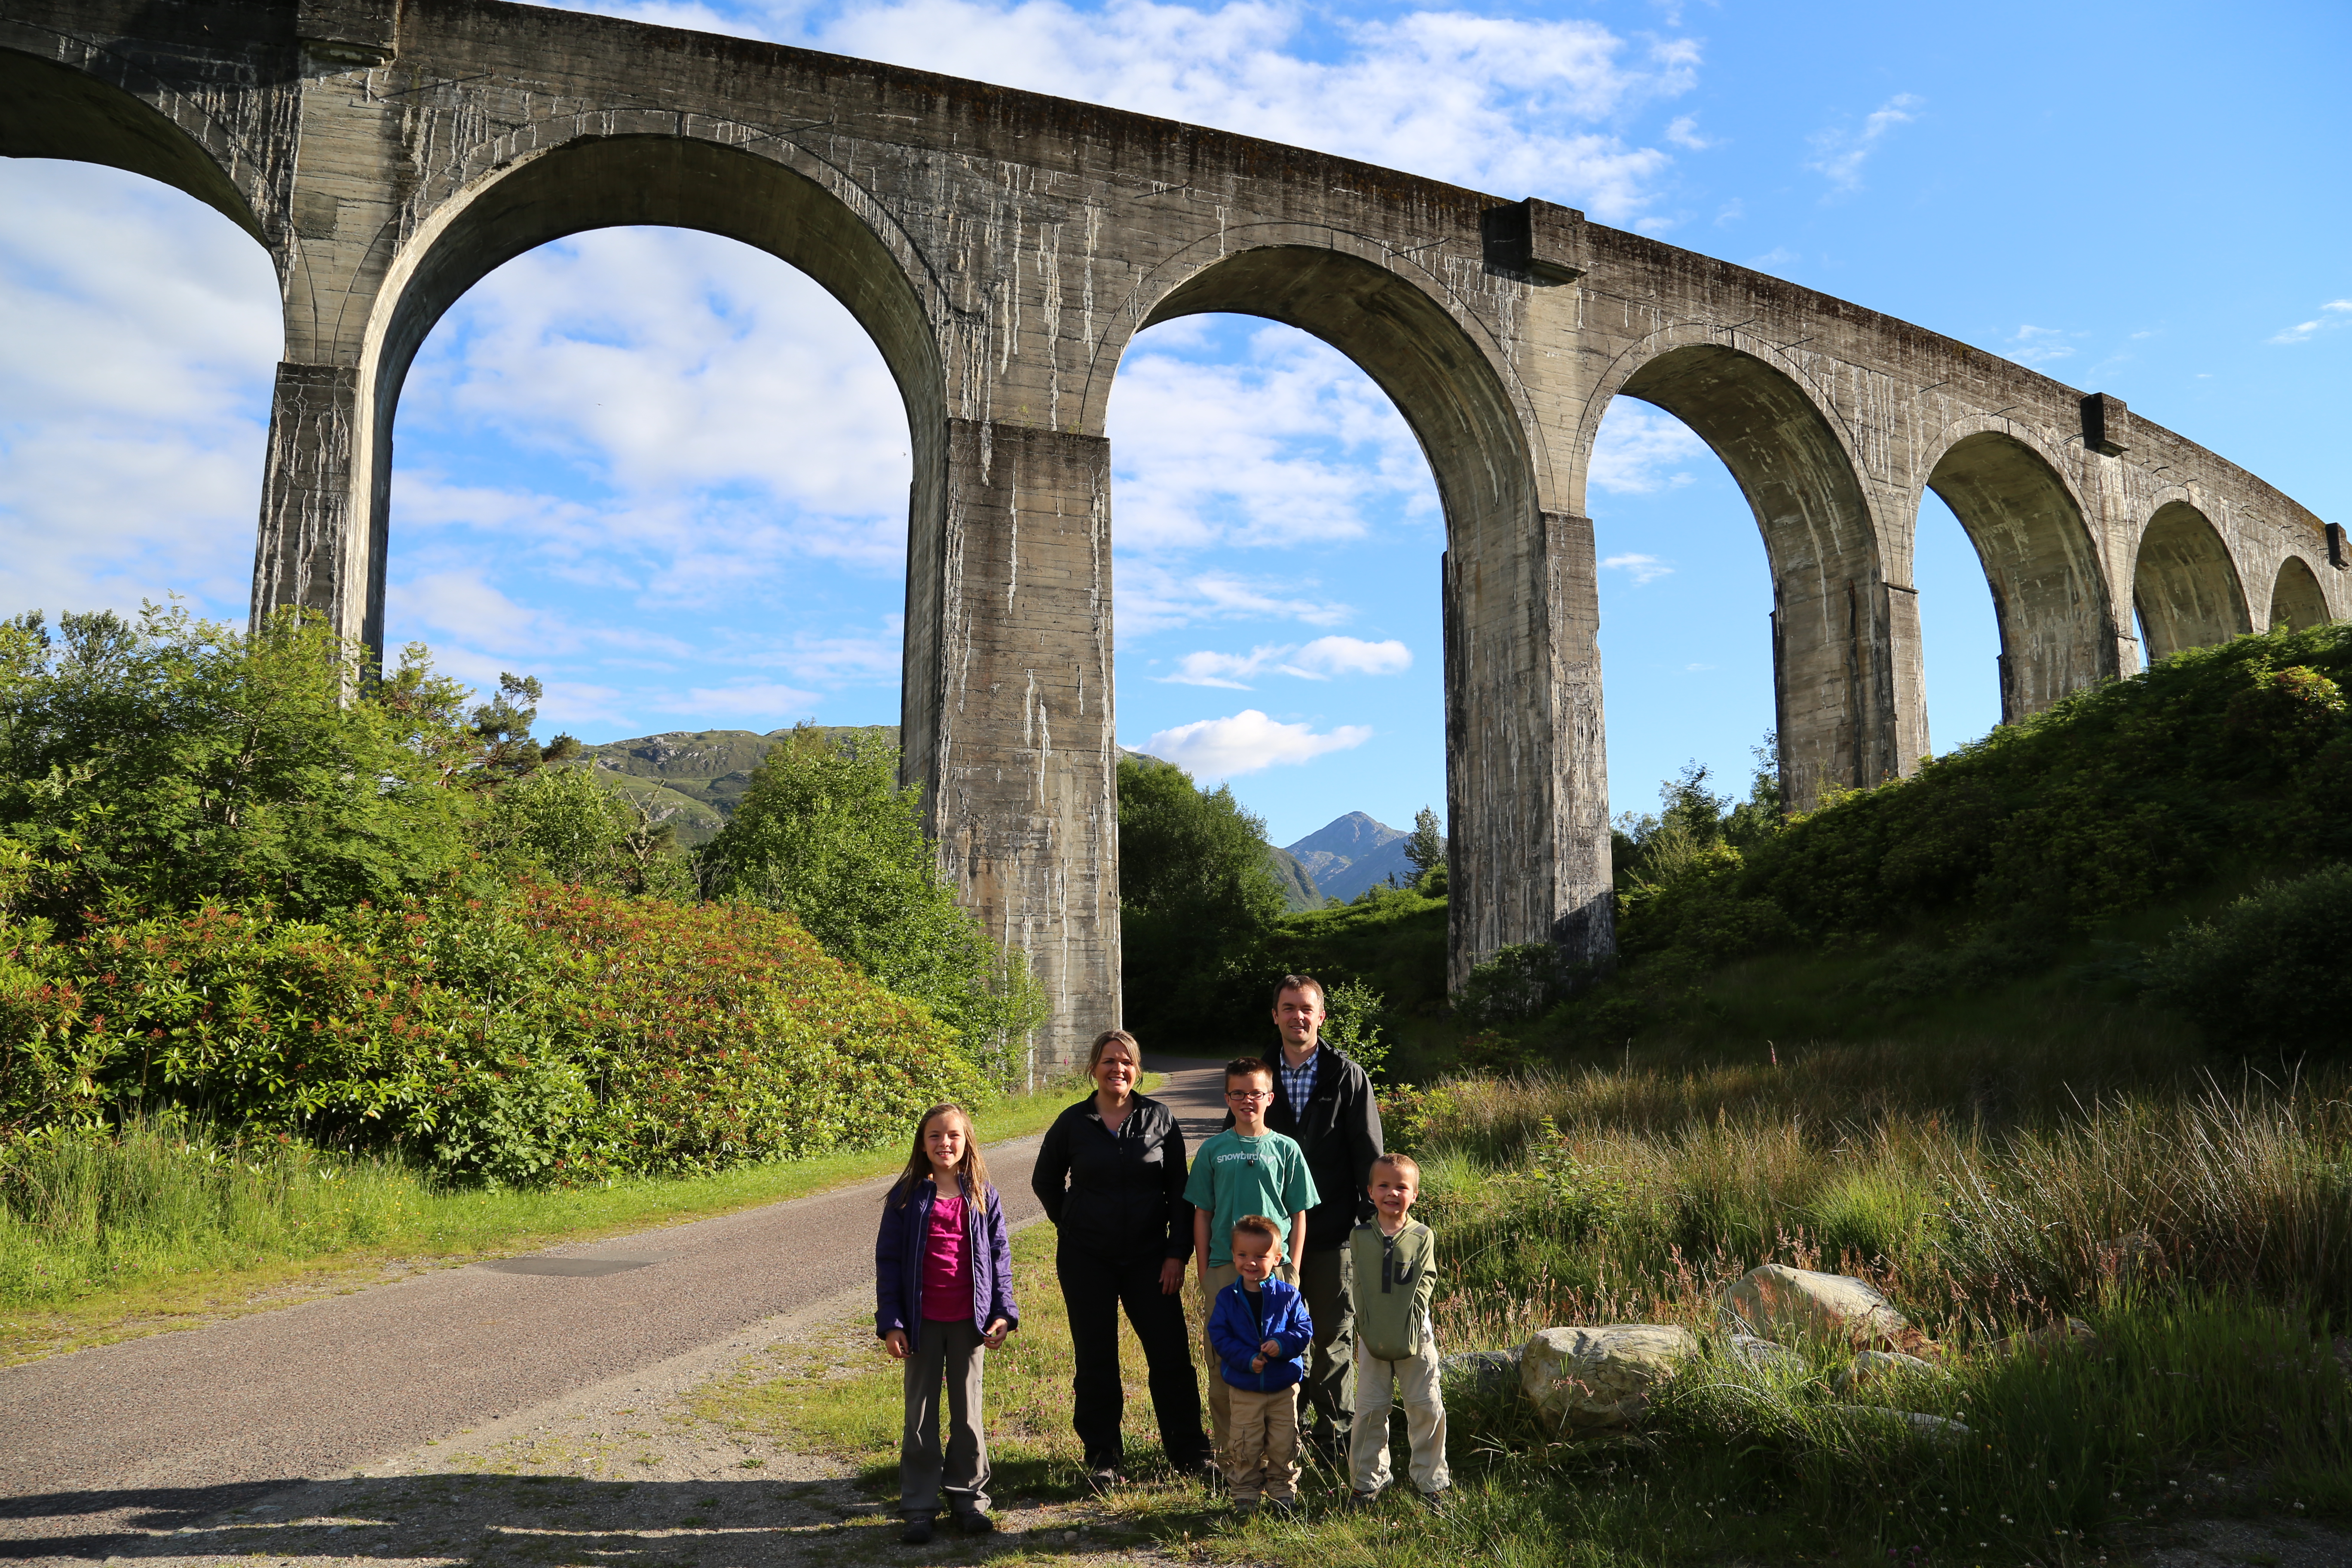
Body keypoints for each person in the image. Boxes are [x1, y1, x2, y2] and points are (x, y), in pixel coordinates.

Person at [1031, 1029, 1213, 1487]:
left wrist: (1176, 1253)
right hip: (1086, 1258)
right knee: (1096, 1357)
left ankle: (1189, 1451)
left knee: (1170, 1355)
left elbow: (1180, 1193)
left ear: (1138, 1070)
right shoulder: (1073, 1122)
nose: (1118, 1069)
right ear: (1093, 1068)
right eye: (1109, 1061)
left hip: (1151, 1259)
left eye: (1127, 1062)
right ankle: (1103, 1457)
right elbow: (1046, 1180)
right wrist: (1070, 1223)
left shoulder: (1160, 1119)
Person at [1244, 974, 1385, 1458]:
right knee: (1279, 1339)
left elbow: (1370, 1159)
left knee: (1330, 1339)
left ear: (1321, 1016)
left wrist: (1369, 1230)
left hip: (1330, 1236)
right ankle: (1286, 1437)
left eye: (1306, 1008)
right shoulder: (1257, 1077)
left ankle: (1335, 1439)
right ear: (1276, 1015)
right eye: (1288, 1008)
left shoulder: (1347, 1076)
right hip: (1269, 1244)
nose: (1297, 1017)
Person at [875, 1103, 1017, 1546]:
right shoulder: (905, 1197)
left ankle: (968, 1498)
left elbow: (1000, 1259)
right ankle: (919, 1506)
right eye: (935, 1136)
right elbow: (889, 1263)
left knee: (969, 1416)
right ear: (923, 1143)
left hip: (969, 1323)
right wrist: (892, 1322)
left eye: (953, 1135)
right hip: (919, 1324)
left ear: (967, 1141)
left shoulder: (983, 1195)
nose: (945, 1144)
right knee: (919, 1419)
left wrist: (1002, 1312)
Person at [1184, 1057, 1317, 1461]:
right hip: (1225, 1269)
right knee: (1225, 1358)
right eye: (1238, 1093)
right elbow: (1202, 1214)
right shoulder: (1213, 1149)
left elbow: (1299, 1212)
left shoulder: (1286, 1149)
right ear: (1227, 1098)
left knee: (1278, 1354)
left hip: (1275, 1273)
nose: (1247, 1100)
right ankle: (1232, 1457)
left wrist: (1291, 1266)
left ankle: (1276, 1456)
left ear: (1269, 1098)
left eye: (1255, 1093)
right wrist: (1205, 1270)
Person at [1346, 1152, 1449, 1508]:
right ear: (1371, 1192)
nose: (1393, 1193)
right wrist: (1367, 1326)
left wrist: (1411, 1321)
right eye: (1384, 1186)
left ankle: (1431, 1480)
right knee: (1371, 1409)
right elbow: (1356, 1283)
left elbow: (1427, 1279)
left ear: (1415, 1194)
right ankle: (1368, 1481)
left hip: (1415, 1335)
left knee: (1425, 1405)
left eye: (1402, 1187)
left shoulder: (1422, 1235)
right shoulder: (1360, 1236)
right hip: (1372, 1337)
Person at [1206, 1214, 1314, 1516]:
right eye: (1242, 1255)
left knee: (1284, 1442)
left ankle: (1283, 1492)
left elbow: (1304, 1329)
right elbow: (1220, 1336)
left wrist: (1281, 1345)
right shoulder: (1228, 1298)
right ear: (1233, 1256)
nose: (1250, 1263)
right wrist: (1245, 1359)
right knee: (1244, 1442)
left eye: (1260, 1256)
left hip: (1282, 1386)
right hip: (1244, 1387)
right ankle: (1245, 1494)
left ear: (1278, 1258)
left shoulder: (1289, 1296)